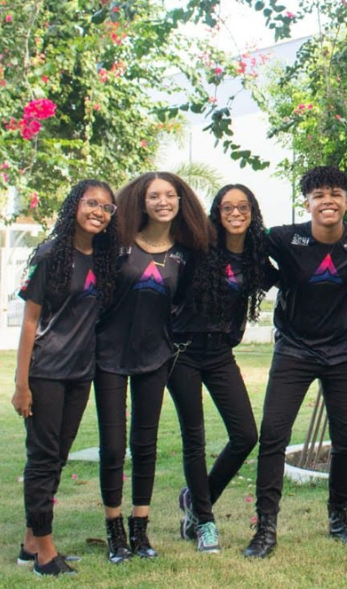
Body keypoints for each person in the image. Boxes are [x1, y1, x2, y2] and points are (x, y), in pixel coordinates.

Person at [243, 166, 347, 559]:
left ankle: (339, 518)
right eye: (319, 194)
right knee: (273, 436)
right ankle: (266, 527)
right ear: (306, 203)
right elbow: (246, 248)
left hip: (344, 351)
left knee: (346, 442)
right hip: (294, 349)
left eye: (336, 194)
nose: (328, 200)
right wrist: (278, 281)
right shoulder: (284, 237)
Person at [94, 172, 210, 563]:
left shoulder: (185, 254)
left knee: (145, 446)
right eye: (154, 196)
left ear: (180, 201)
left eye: (170, 195)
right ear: (141, 202)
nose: (163, 202)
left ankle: (140, 531)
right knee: (113, 447)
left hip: (156, 356)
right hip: (109, 355)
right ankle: (115, 533)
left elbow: (185, 302)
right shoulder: (118, 243)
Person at [12, 180, 119, 576]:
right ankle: (45, 555)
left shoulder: (103, 259)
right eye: (91, 203)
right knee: (43, 460)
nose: (98, 212)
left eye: (106, 208)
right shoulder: (51, 254)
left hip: (79, 374)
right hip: (46, 373)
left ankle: (30, 544)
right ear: (75, 205)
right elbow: (30, 322)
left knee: (56, 458)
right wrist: (21, 384)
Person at [168, 184, 274, 553]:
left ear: (252, 212)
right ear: (217, 213)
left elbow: (294, 276)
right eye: (227, 207)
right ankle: (205, 523)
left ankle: (196, 500)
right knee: (194, 437)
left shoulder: (256, 257)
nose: (235, 213)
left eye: (243, 206)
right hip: (183, 352)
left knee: (245, 435)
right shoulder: (198, 250)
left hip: (220, 354)